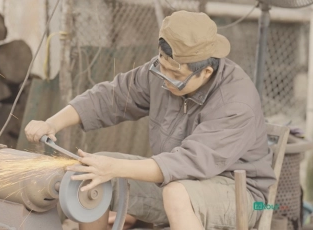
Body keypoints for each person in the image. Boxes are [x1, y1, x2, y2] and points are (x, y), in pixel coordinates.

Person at [25, 10, 276, 230]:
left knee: (177, 195)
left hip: (245, 196)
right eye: (161, 66)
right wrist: (52, 123)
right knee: (89, 175)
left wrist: (114, 167)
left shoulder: (235, 102)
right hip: (179, 181)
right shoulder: (162, 71)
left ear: (206, 72)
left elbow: (187, 162)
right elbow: (110, 97)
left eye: (175, 74)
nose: (164, 78)